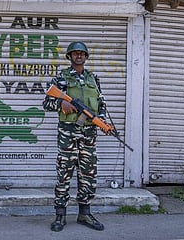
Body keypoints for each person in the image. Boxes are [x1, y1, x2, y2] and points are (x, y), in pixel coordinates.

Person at [42, 41, 109, 232]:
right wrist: (60, 104)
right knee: (64, 173)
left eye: (82, 53)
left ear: (86, 57)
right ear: (70, 56)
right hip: (68, 134)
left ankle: (84, 214)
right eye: (75, 53)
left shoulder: (93, 79)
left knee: (88, 174)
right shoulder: (61, 78)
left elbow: (101, 105)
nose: (78, 56)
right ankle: (60, 215)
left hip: (89, 134)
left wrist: (103, 122)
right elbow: (46, 103)